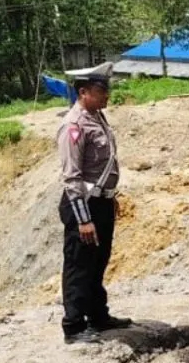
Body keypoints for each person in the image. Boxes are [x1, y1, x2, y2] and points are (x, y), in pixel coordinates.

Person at [56, 62, 132, 345]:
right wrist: (83, 218)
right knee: (79, 265)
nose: (106, 96)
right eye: (101, 91)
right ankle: (74, 325)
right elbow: (72, 177)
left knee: (99, 262)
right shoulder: (73, 125)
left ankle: (97, 315)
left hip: (101, 202)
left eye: (106, 90)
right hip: (83, 205)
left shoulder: (97, 117)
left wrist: (110, 197)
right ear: (83, 92)